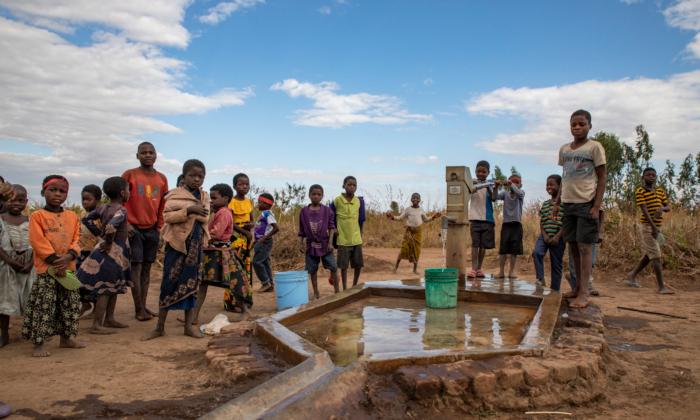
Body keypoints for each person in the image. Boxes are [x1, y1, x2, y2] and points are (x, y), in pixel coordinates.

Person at [144, 159, 209, 340]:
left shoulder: (204, 196)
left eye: (200, 176)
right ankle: (159, 327)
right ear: (184, 176)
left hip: (195, 245)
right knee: (168, 283)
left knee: (192, 283)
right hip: (176, 244)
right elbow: (168, 217)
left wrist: (196, 211)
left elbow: (205, 218)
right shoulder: (174, 195)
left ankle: (188, 326)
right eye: (192, 176)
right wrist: (189, 210)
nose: (197, 179)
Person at [22, 175, 85, 357]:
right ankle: (39, 344)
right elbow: (37, 241)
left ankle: (66, 339)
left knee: (70, 304)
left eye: (62, 191)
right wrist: (55, 261)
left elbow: (76, 239)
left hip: (68, 269)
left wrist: (68, 257)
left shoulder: (72, 216)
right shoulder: (37, 216)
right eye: (53, 190)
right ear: (43, 192)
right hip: (46, 270)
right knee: (44, 306)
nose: (58, 194)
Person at [552, 109, 606, 309]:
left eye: (581, 124)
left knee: (585, 249)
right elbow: (565, 178)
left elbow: (602, 177)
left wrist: (596, 206)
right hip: (568, 203)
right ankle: (576, 287)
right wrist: (557, 204)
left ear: (589, 126)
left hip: (586, 203)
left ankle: (584, 293)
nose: (577, 127)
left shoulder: (595, 147)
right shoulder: (565, 150)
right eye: (573, 124)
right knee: (573, 246)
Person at [76, 177, 132, 334]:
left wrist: (98, 235)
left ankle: (109, 319)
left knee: (112, 287)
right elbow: (111, 227)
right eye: (128, 190)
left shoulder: (103, 208)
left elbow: (86, 219)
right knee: (106, 289)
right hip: (113, 252)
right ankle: (97, 324)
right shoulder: (121, 210)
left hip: (108, 250)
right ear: (122, 193)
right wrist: (107, 242)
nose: (129, 193)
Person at [122, 141, 168, 321]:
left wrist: (159, 228)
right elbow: (120, 199)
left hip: (152, 230)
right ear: (137, 156)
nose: (147, 155)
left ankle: (143, 306)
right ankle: (138, 309)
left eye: (151, 152)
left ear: (156, 155)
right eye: (143, 152)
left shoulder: (162, 178)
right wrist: (125, 224)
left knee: (147, 270)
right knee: (136, 267)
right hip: (133, 229)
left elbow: (163, 205)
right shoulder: (130, 174)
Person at [197, 183, 252, 322]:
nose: (211, 201)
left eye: (214, 198)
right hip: (213, 253)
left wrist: (200, 235)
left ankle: (245, 311)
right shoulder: (218, 212)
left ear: (226, 199)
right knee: (205, 284)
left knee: (234, 283)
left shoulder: (224, 213)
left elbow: (216, 233)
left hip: (222, 254)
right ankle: (193, 316)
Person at [624, 167, 673, 294]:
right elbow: (644, 211)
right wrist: (654, 227)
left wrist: (662, 209)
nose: (651, 177)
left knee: (649, 254)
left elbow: (667, 207)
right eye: (648, 175)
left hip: (657, 227)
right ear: (643, 177)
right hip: (647, 227)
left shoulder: (660, 191)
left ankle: (632, 275)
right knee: (656, 256)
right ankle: (661, 287)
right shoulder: (640, 191)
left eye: (653, 175)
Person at [0, 184, 35, 347]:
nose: (17, 204)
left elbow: (38, 243)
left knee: (31, 298)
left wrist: (30, 263)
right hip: (6, 266)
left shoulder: (31, 220)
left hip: (28, 266)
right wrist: (11, 262)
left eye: (21, 200)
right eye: (13, 200)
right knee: (5, 300)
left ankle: (33, 332)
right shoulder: (1, 220)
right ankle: (4, 334)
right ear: (6, 200)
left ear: (26, 202)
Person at [386, 192, 440, 274]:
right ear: (411, 200)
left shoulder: (421, 210)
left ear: (419, 200)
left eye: (417, 198)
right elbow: (400, 217)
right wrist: (392, 217)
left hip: (418, 232)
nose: (415, 199)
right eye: (414, 198)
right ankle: (395, 268)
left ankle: (414, 270)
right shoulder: (408, 209)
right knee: (404, 249)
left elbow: (426, 220)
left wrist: (433, 217)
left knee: (416, 251)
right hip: (409, 232)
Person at [299, 184, 339, 298]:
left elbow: (331, 227)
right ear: (309, 195)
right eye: (313, 194)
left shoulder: (327, 211)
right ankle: (316, 292)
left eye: (319, 194)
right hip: (310, 245)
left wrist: (331, 243)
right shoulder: (304, 212)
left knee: (334, 267)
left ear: (322, 196)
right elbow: (301, 230)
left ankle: (337, 291)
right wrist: (300, 243)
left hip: (325, 244)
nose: (316, 196)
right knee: (312, 270)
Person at [331, 176, 366, 290]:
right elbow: (330, 216)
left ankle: (354, 286)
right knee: (343, 266)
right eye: (349, 185)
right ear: (344, 186)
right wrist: (334, 228)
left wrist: (361, 234)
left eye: (354, 185)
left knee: (358, 264)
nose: (352, 187)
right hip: (343, 239)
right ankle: (345, 288)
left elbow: (361, 219)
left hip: (356, 238)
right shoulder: (337, 200)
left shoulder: (359, 201)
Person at [226, 173, 254, 308]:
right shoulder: (231, 202)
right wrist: (245, 231)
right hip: (235, 238)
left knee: (246, 269)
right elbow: (231, 223)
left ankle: (245, 300)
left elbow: (252, 219)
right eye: (241, 184)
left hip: (247, 238)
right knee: (235, 269)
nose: (244, 186)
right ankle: (232, 302)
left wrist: (251, 231)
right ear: (234, 186)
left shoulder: (249, 201)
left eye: (247, 184)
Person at [532, 175, 565, 291]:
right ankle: (540, 278)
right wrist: (545, 235)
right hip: (544, 236)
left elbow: (566, 223)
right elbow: (542, 222)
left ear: (560, 186)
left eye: (552, 184)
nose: (549, 187)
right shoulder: (545, 204)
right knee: (536, 252)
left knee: (556, 265)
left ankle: (555, 291)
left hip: (558, 238)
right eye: (547, 185)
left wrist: (557, 236)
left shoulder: (564, 204)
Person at [77, 184, 102, 317]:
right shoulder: (83, 214)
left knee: (95, 282)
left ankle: (96, 308)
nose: (85, 202)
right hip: (82, 252)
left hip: (95, 253)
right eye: (83, 199)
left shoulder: (99, 215)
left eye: (88, 199)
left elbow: (101, 235)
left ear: (97, 200)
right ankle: (85, 303)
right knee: (79, 281)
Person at [468, 161, 496, 278]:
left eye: (484, 171)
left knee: (483, 246)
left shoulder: (491, 184)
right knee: (475, 245)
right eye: (479, 171)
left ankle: (479, 268)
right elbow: (469, 191)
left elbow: (494, 198)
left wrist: (490, 186)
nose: (481, 173)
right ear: (475, 172)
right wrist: (477, 183)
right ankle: (473, 269)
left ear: (488, 173)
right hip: (474, 218)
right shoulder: (471, 183)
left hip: (487, 219)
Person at [495, 174, 525, 279]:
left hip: (517, 224)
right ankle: (501, 271)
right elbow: (494, 197)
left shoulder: (521, 193)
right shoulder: (505, 194)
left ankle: (512, 271)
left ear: (520, 184)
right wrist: (495, 187)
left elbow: (518, 192)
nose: (514, 183)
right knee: (503, 249)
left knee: (514, 250)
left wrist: (511, 184)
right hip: (506, 224)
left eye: (517, 182)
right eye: (512, 181)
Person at [252, 193, 279, 292]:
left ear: (267, 204)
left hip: (265, 242)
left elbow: (276, 228)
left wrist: (264, 238)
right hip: (261, 242)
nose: (258, 204)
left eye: (260, 202)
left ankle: (265, 283)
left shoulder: (268, 214)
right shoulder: (263, 214)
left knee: (256, 262)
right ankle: (270, 284)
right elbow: (261, 229)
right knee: (265, 262)